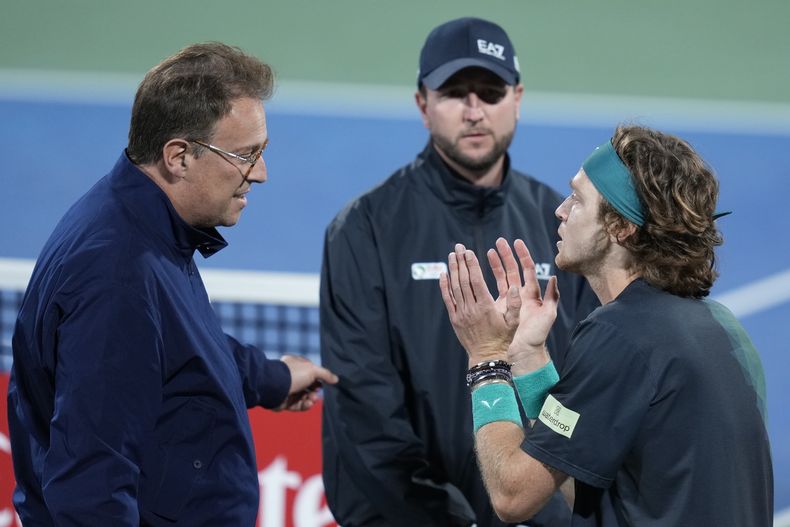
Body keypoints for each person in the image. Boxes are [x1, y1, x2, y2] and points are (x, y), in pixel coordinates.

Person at [7, 42, 338, 526]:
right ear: (179, 156)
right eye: (246, 154)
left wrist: (270, 377)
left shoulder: (141, 225)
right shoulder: (118, 275)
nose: (260, 174)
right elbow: (92, 488)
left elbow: (173, 347)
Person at [320, 17, 597, 526]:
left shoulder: (562, 224)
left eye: (490, 92)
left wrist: (550, 507)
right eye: (454, 93)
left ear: (517, 97)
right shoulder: (365, 229)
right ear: (423, 104)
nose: (474, 111)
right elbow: (365, 409)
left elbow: (586, 380)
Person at [440, 125, 773, 526]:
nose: (560, 211)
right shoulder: (719, 325)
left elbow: (513, 496)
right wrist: (528, 356)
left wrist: (486, 359)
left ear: (621, 227)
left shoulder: (622, 333)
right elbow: (575, 472)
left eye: (578, 200)